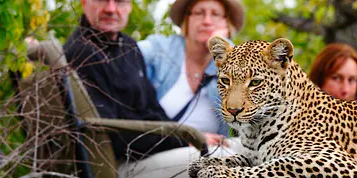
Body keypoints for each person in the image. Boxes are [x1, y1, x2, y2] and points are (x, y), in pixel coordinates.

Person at [64, 0, 190, 164]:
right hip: (119, 164)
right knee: (209, 161)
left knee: (219, 150)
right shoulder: (81, 52)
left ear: (130, 6)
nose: (111, 9)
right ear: (84, 2)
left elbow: (152, 108)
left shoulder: (129, 46)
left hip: (149, 152)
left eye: (120, 1)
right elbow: (109, 135)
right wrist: (182, 140)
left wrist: (187, 135)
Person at [138, 0, 245, 145]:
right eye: (199, 13)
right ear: (187, 19)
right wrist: (190, 138)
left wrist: (222, 45)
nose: (207, 21)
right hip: (157, 148)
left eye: (215, 14)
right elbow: (124, 55)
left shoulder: (230, 66)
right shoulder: (160, 50)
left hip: (211, 152)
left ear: (227, 23)